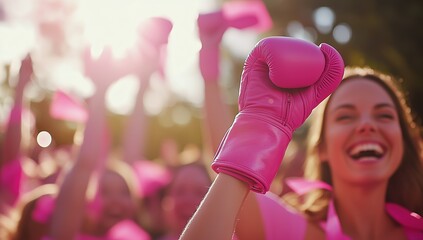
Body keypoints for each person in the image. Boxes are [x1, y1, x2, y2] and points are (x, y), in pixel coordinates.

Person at [180, 34, 423, 238]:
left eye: (384, 116)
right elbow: (223, 161)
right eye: (346, 116)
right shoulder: (283, 229)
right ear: (321, 149)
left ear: (403, 142)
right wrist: (259, 125)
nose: (367, 125)